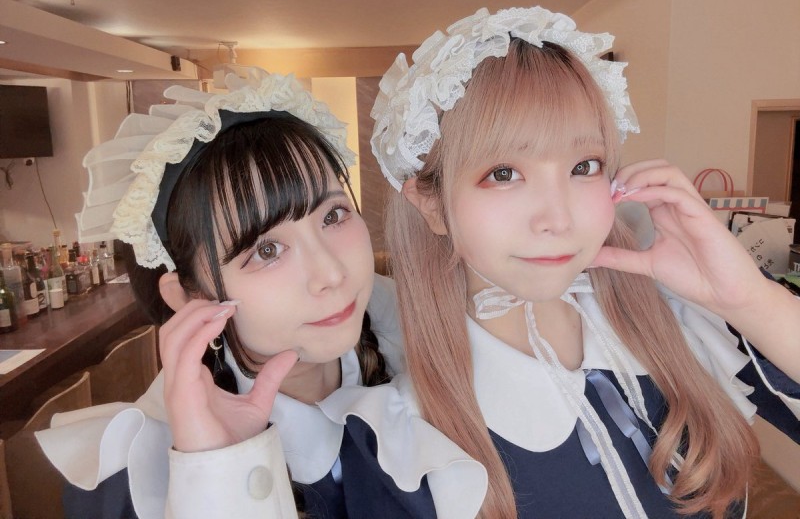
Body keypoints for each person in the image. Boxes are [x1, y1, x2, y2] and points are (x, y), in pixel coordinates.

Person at [370, 6, 800, 519]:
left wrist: (746, 298)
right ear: (431, 205)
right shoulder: (400, 441)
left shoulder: (685, 320)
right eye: (503, 173)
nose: (559, 217)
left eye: (584, 166)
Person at [36, 69, 485, 519]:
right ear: (190, 297)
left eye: (333, 216)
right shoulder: (134, 479)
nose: (331, 273)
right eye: (267, 250)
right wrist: (217, 469)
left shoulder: (437, 349)